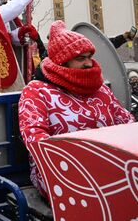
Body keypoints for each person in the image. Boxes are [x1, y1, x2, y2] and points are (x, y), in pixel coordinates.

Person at [19, 20, 135, 199]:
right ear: (62, 61)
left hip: (109, 164)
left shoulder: (100, 89)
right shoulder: (36, 91)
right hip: (60, 173)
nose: (89, 64)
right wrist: (78, 165)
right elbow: (36, 140)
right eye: (80, 58)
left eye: (89, 56)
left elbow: (127, 123)